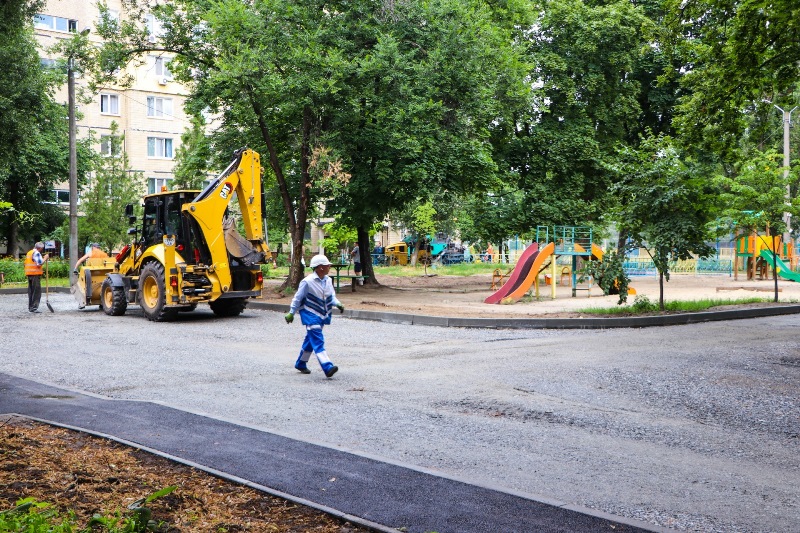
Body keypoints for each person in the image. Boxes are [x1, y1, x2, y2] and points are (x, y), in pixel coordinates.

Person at [284, 254, 345, 378]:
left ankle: (301, 363)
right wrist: (291, 312)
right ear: (320, 267)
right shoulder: (307, 282)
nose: (329, 267)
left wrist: (337, 303)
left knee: (310, 341)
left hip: (322, 315)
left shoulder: (328, 280)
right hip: (310, 315)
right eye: (327, 265)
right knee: (318, 340)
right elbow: (297, 298)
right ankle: (327, 366)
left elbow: (331, 296)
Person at [24, 242, 49, 313]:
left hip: (29, 274)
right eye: (42, 249)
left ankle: (30, 307)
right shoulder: (37, 253)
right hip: (35, 274)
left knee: (31, 291)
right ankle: (34, 307)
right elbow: (39, 263)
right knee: (36, 291)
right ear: (40, 248)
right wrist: (45, 258)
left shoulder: (29, 252)